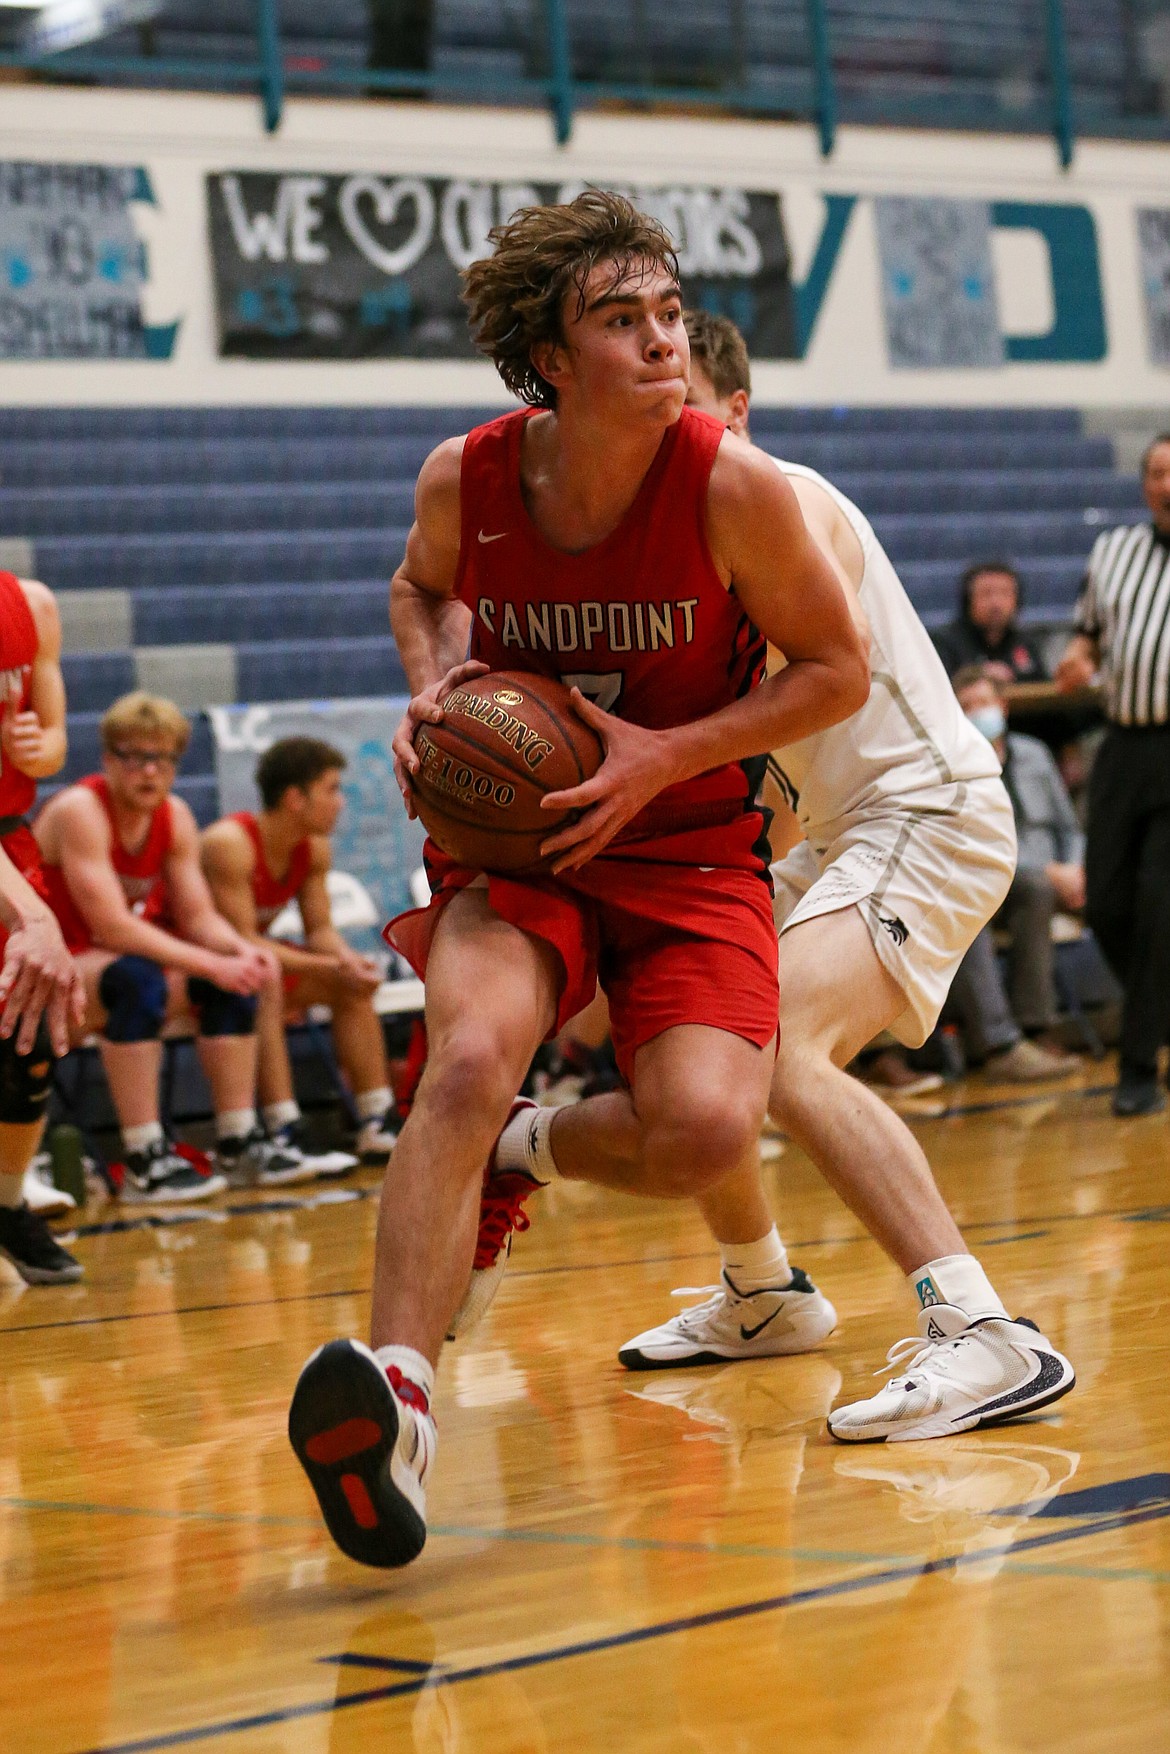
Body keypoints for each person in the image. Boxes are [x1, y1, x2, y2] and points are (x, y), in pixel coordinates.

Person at [288, 191, 870, 1569]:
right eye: (623, 319)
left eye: (669, 313)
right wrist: (437, 690)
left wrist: (664, 751)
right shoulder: (469, 478)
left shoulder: (732, 483)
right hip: (525, 832)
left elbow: (833, 673)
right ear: (550, 354)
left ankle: (521, 1151)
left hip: (681, 834)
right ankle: (401, 1403)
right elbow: (418, 589)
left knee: (707, 1133)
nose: (663, 341)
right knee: (470, 1047)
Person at [592, 310, 1073, 1439]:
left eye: (686, 410)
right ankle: (761, 1289)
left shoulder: (783, 501)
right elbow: (762, 757)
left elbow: (826, 692)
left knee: (772, 1045)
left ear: (737, 413)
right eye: (643, 417)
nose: (664, 435)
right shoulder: (688, 544)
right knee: (692, 1032)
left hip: (927, 809)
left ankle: (984, 1332)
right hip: (838, 826)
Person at [33, 691, 313, 1199]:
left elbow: (198, 915)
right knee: (135, 979)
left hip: (92, 969)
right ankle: (142, 1157)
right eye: (135, 757)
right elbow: (112, 927)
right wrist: (212, 960)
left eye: (162, 759)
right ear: (108, 761)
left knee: (232, 980)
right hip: (44, 974)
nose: (150, 772)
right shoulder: (81, 810)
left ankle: (238, 1142)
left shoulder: (175, 816)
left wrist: (239, 952)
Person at [200, 737, 397, 1170]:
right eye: (331, 789)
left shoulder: (313, 847)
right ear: (294, 798)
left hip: (249, 967)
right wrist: (329, 963)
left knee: (351, 985)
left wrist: (346, 961)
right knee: (266, 977)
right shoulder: (229, 844)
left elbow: (321, 930)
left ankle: (376, 1120)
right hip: (200, 970)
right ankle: (283, 1127)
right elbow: (242, 940)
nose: (341, 802)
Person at [1056, 430, 1170, 1115]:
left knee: (1160, 905)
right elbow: (1088, 632)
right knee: (1107, 903)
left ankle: (1136, 1068)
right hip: (1124, 745)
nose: (1165, 483)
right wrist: (1076, 659)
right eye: (1156, 472)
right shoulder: (1114, 552)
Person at [0, 567, 85, 1283]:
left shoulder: (33, 605)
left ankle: (7, 1201)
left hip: (10, 834)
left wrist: (38, 745)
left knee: (31, 1020)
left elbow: (56, 743)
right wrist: (30, 912)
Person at [945, 664, 1083, 1073]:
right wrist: (1049, 870)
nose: (978, 713)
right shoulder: (953, 769)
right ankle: (1001, 1045)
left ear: (1003, 706)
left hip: (1056, 878)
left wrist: (1076, 868)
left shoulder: (1036, 754)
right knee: (1029, 889)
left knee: (1130, 895)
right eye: (966, 706)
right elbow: (974, 848)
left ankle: (1038, 1028)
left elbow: (1069, 825)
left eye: (984, 703)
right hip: (987, 883)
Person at [933, 561, 1048, 683]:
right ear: (968, 600)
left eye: (1005, 593)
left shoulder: (1027, 643)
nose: (996, 603)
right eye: (986, 593)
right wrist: (978, 675)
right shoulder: (945, 644)